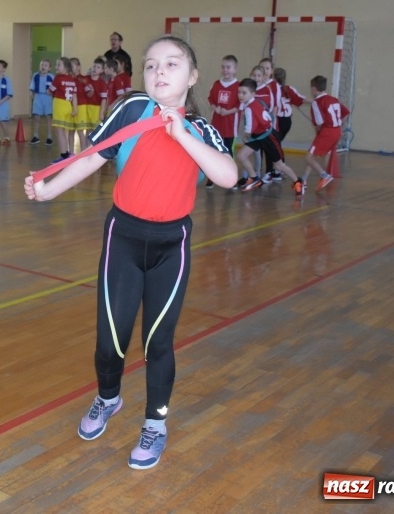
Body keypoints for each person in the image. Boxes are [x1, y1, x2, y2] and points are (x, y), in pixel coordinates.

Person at [24, 35, 237, 470]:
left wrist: (182, 135)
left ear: (193, 76)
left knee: (158, 343)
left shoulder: (203, 129)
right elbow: (90, 158)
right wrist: (47, 192)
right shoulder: (131, 109)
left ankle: (155, 425)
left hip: (170, 245)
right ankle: (108, 398)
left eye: (173, 64)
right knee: (111, 340)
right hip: (122, 236)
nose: (160, 71)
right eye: (152, 64)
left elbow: (229, 175)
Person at [234, 78, 304, 195]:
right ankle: (254, 177)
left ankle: (297, 181)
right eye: (239, 92)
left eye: (244, 93)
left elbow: (250, 128)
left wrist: (246, 136)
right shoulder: (254, 103)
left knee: (279, 165)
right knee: (241, 155)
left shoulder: (250, 108)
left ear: (253, 94)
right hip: (258, 136)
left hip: (268, 137)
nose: (240, 95)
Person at [303, 75, 351, 192]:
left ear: (314, 89)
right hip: (337, 132)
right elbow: (346, 112)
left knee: (308, 157)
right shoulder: (333, 99)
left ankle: (325, 176)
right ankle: (303, 179)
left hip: (327, 132)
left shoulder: (317, 102)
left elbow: (319, 123)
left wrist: (320, 133)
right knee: (313, 155)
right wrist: (338, 126)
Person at [207, 54, 240, 188]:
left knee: (229, 153)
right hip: (217, 125)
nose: (225, 70)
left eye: (228, 67)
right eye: (223, 67)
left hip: (230, 127)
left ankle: (232, 179)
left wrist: (228, 111)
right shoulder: (216, 84)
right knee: (213, 151)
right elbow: (211, 100)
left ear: (235, 69)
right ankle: (211, 177)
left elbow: (240, 105)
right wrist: (217, 108)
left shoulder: (238, 86)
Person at [48, 56, 78, 163]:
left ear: (65, 67)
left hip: (60, 105)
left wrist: (48, 89)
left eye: (58, 65)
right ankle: (67, 152)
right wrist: (75, 109)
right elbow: (74, 95)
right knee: (63, 131)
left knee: (59, 131)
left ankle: (63, 155)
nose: (56, 67)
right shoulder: (72, 80)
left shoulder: (58, 78)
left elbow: (49, 91)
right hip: (68, 106)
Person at [274, 67, 305, 143]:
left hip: (278, 121)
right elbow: (300, 99)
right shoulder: (289, 89)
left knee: (274, 144)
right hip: (287, 122)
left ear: (273, 78)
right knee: (276, 143)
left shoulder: (272, 90)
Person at [28, 58, 53, 145]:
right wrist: (31, 93)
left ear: (49, 68)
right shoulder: (35, 75)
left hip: (48, 98)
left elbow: (55, 88)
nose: (43, 67)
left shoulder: (51, 77)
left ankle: (49, 136)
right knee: (36, 117)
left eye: (45, 65)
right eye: (42, 65)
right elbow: (32, 86)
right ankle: (36, 136)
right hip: (38, 97)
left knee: (48, 117)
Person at [70, 57, 91, 152]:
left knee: (80, 131)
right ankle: (70, 153)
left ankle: (83, 153)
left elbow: (89, 93)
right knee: (70, 130)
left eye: (72, 66)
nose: (71, 68)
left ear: (78, 67)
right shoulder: (69, 79)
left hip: (81, 106)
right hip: (70, 106)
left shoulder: (83, 79)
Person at [83, 57, 108, 128]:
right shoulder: (86, 80)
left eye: (98, 67)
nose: (95, 68)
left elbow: (104, 100)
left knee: (95, 130)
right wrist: (91, 91)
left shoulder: (102, 84)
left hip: (97, 108)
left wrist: (101, 113)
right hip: (86, 107)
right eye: (94, 66)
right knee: (87, 130)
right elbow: (86, 95)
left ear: (102, 70)